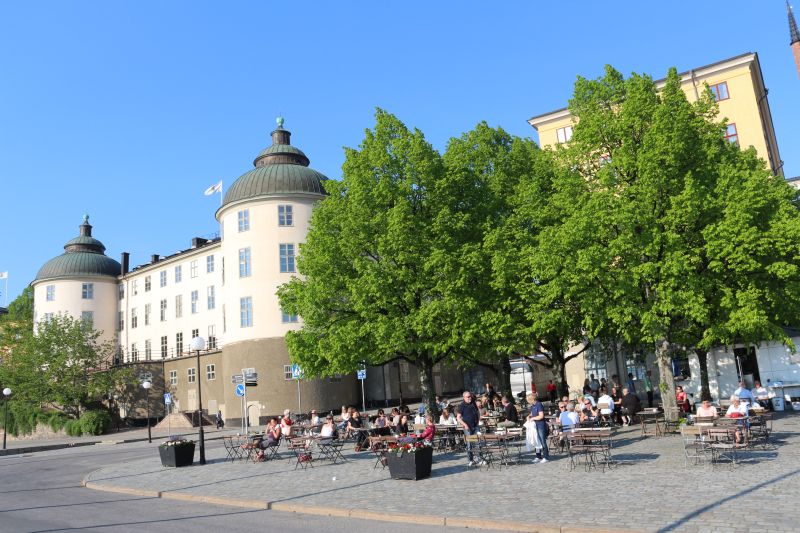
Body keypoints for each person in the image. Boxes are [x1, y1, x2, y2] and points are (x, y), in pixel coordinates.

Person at [456, 390, 483, 467]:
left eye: (470, 396)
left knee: (478, 443)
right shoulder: (461, 406)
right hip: (467, 428)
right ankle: (470, 460)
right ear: (464, 397)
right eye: (468, 397)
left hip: (475, 426)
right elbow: (458, 418)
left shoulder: (473, 403)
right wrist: (465, 424)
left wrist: (478, 422)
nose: (470, 398)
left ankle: (479, 459)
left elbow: (477, 413)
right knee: (469, 444)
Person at [527, 392, 550, 463]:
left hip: (540, 425)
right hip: (534, 426)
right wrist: (529, 416)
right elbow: (532, 413)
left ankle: (546, 457)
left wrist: (533, 418)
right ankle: (538, 456)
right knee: (536, 441)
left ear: (532, 400)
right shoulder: (533, 406)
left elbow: (541, 416)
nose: (528, 402)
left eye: (528, 401)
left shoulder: (539, 404)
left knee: (542, 441)